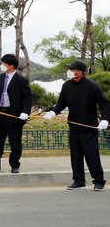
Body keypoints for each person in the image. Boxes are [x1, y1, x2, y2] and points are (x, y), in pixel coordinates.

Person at [44, 60, 110, 191]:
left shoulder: (93, 86)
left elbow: (105, 103)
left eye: (72, 70)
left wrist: (105, 120)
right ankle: (79, 181)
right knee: (75, 155)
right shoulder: (67, 86)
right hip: (73, 127)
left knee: (92, 155)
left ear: (80, 72)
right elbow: (61, 102)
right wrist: (53, 111)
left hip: (89, 127)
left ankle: (99, 181)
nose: (69, 71)